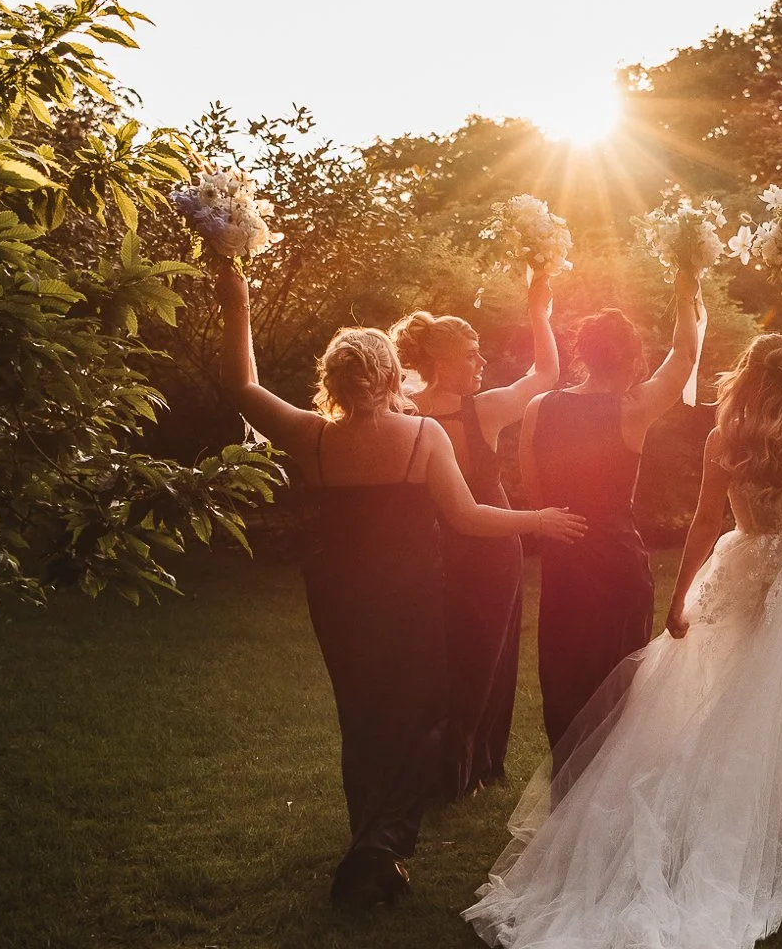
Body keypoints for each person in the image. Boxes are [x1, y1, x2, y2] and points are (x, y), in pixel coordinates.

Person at [465, 276, 782, 949]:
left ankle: (746, 806)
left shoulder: (724, 438)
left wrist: (682, 594)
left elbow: (699, 525)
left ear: (746, 382)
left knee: (731, 696)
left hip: (744, 564)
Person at [208, 256, 586, 908]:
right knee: (415, 714)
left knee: (361, 713)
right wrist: (538, 518)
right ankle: (384, 847)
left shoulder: (312, 436)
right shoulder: (422, 435)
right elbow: (467, 518)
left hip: (338, 595)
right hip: (409, 594)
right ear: (387, 375)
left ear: (335, 376)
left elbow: (241, 385)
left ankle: (367, 839)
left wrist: (235, 295)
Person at [390, 263, 559, 801]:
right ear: (440, 361)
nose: (482, 361)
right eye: (471, 354)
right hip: (456, 552)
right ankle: (462, 766)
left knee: (469, 653)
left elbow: (543, 378)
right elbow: (546, 375)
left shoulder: (423, 411)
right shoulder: (426, 411)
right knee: (461, 655)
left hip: (470, 552)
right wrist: (538, 313)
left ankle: (463, 764)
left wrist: (538, 311)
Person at [521, 266, 703, 746]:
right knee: (620, 686)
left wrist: (557, 529)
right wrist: (687, 294)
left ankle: (569, 795)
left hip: (565, 558)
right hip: (618, 562)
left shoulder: (540, 406)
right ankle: (610, 799)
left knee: (565, 678)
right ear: (633, 357)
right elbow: (684, 356)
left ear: (582, 354)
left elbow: (532, 488)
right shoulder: (633, 408)